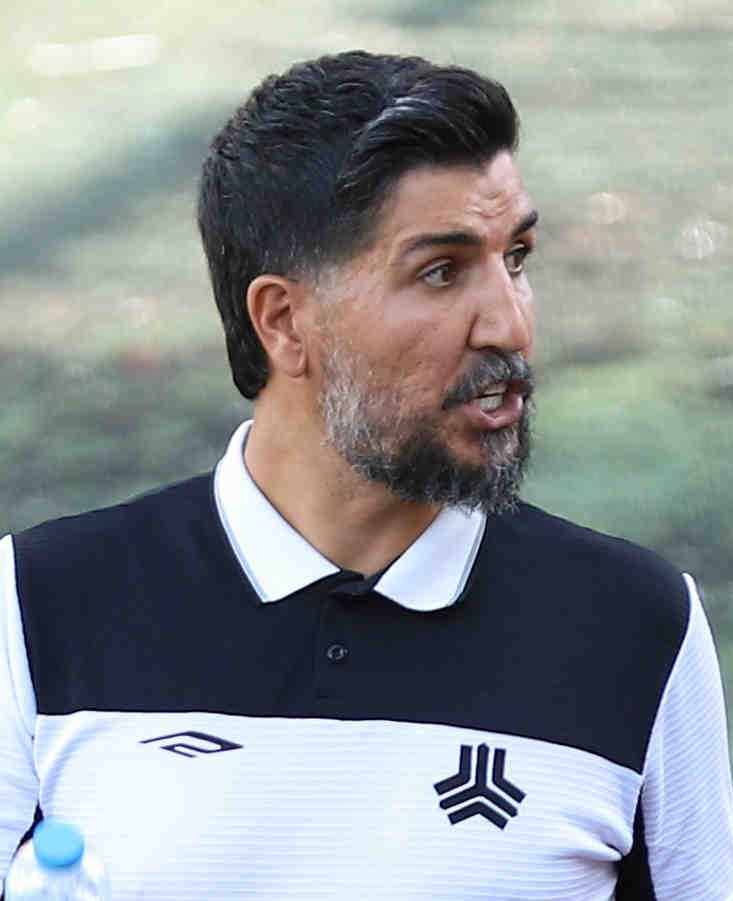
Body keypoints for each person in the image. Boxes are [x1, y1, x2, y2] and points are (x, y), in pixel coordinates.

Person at [1, 50, 731, 901]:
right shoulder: (34, 610)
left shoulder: (638, 627)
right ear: (283, 321)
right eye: (440, 271)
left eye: (516, 257)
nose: (509, 324)